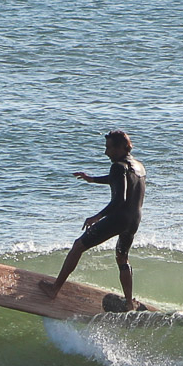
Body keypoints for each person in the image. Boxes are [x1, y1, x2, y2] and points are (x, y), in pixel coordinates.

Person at [39, 130, 146, 310]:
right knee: (122, 257)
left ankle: (54, 289)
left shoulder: (118, 166)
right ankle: (128, 303)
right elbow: (120, 180)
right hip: (133, 220)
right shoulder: (138, 166)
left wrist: (97, 216)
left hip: (118, 218)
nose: (106, 152)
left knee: (78, 246)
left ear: (120, 147)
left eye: (109, 148)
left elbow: (119, 198)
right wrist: (92, 179)